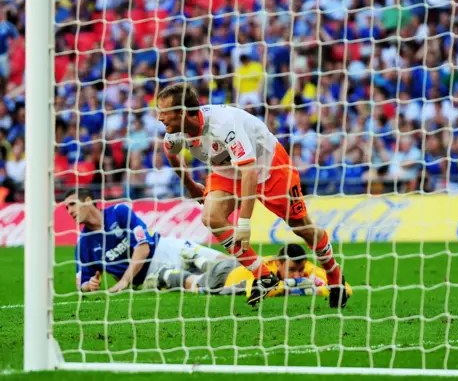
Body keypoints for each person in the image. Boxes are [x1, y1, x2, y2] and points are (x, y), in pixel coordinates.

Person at [156, 82, 348, 308]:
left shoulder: (224, 125)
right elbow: (170, 155)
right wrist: (190, 185)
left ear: (181, 112)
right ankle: (264, 275)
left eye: (163, 112)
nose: (159, 118)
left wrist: (244, 223)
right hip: (227, 171)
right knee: (211, 217)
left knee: (302, 227)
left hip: (269, 167)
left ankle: (334, 275)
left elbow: (250, 173)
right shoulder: (175, 134)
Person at [63, 188, 228, 293]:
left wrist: (124, 281)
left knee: (219, 261)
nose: (69, 211)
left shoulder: (118, 213)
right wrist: (89, 285)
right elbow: (81, 283)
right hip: (147, 277)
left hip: (165, 248)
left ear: (88, 201)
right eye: (66, 208)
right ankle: (224, 286)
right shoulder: (83, 244)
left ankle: (248, 276)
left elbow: (143, 248)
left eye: (72, 204)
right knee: (187, 280)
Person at [196, 244, 353, 298]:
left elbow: (346, 288)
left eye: (300, 270)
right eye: (292, 270)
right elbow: (255, 291)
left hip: (237, 265)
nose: (298, 275)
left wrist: (316, 291)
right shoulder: (265, 271)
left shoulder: (307, 268)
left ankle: (198, 260)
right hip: (225, 276)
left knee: (207, 265)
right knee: (191, 283)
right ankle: (175, 272)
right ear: (278, 263)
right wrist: (295, 287)